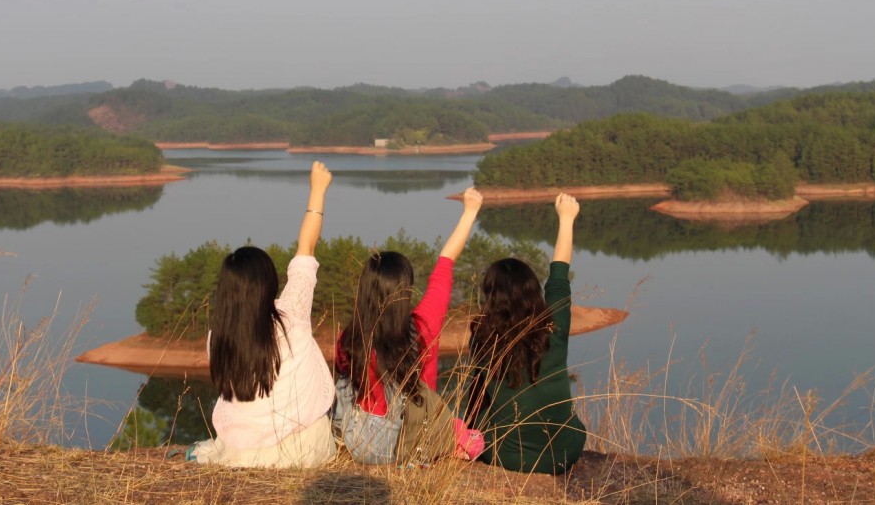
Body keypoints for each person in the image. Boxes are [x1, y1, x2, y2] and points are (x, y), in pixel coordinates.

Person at [187, 161, 336, 467]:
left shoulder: (218, 337)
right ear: (269, 284)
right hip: (301, 450)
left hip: (241, 451)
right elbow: (306, 247)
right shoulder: (291, 314)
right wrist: (318, 189)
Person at [333, 187, 485, 464]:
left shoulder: (349, 338)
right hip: (410, 441)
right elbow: (446, 263)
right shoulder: (422, 327)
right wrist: (470, 212)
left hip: (358, 441)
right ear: (406, 290)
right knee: (471, 437)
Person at [464, 192, 587, 475]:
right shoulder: (552, 328)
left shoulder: (483, 338)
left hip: (509, 457)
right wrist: (566, 219)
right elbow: (559, 275)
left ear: (490, 296)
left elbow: (477, 398)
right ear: (534, 291)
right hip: (566, 452)